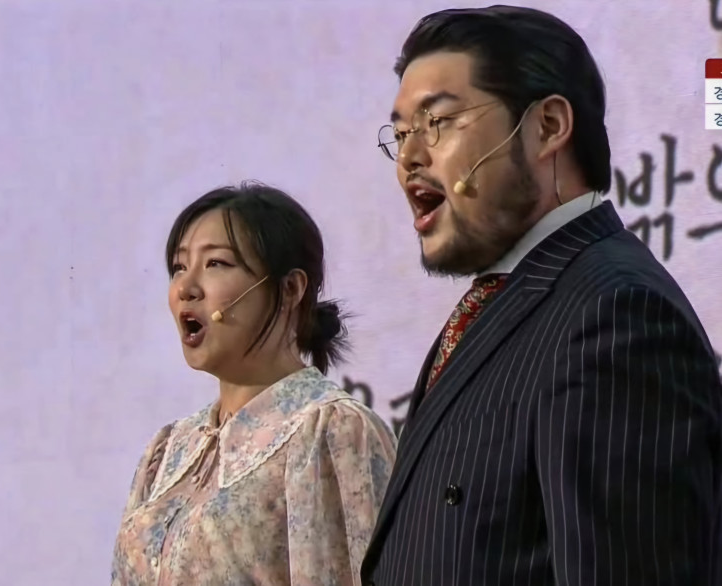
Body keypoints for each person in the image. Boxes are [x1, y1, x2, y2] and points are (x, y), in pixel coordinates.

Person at [361, 6, 722, 586]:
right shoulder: (503, 305)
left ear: (548, 126)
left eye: (438, 122)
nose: (409, 159)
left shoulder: (615, 315)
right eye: (401, 134)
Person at [111, 182, 397, 585]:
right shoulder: (169, 449)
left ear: (290, 288)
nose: (185, 288)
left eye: (216, 263)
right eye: (179, 267)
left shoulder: (331, 432)